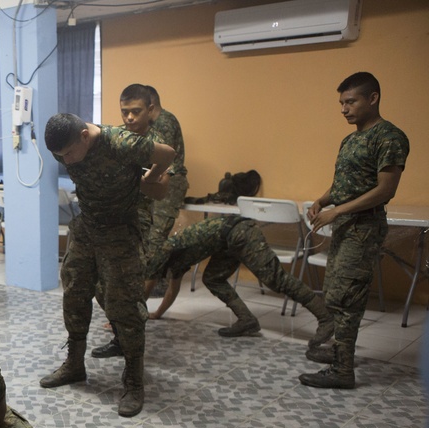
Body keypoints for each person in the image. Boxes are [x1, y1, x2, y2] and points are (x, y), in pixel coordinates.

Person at [39, 112, 175, 418]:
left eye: (70, 153)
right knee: (74, 290)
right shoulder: (66, 148)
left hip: (120, 228)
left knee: (124, 303)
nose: (67, 161)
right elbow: (69, 156)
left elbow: (168, 154)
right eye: (60, 156)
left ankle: (134, 381)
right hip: (88, 225)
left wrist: (151, 178)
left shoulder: (120, 142)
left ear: (85, 136)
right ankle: (74, 364)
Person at [301, 72, 409, 389]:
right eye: (341, 103)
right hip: (346, 226)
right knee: (335, 294)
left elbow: (385, 190)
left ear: (372, 98)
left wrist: (339, 210)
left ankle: (343, 370)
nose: (344, 109)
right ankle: (339, 352)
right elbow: (344, 185)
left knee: (347, 298)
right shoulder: (350, 140)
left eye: (351, 101)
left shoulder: (389, 137)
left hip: (365, 226)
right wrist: (322, 201)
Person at [145, 215, 334, 345]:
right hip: (225, 242)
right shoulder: (173, 260)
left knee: (276, 280)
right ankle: (247, 320)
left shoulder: (161, 253)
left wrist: (135, 309)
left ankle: (326, 319)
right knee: (213, 278)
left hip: (240, 232)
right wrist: (157, 314)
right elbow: (173, 290)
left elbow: (148, 285)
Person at [89, 84, 174, 360]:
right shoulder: (118, 137)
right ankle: (119, 336)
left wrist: (131, 181)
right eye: (124, 112)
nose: (129, 118)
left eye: (136, 112)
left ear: (150, 110)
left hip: (137, 225)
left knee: (130, 290)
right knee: (100, 285)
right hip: (111, 221)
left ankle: (133, 351)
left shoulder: (157, 143)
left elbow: (161, 190)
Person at [147, 85, 189, 262]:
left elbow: (162, 158)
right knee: (152, 233)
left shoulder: (164, 123)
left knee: (156, 235)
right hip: (163, 180)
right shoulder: (159, 122)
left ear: (151, 105)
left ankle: (155, 282)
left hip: (169, 181)